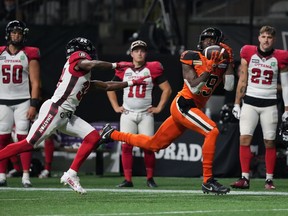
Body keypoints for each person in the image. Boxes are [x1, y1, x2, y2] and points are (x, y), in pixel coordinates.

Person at [0, 37, 149, 194]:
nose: (91, 55)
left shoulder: (82, 73)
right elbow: (91, 63)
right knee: (28, 144)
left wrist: (131, 83)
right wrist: (115, 65)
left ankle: (71, 174)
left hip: (66, 115)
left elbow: (106, 86)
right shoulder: (77, 58)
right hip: (55, 110)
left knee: (93, 137)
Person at [99, 27, 235, 194]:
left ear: (219, 44)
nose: (208, 42)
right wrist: (209, 69)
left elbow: (229, 86)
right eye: (206, 39)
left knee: (154, 144)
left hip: (194, 107)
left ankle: (111, 134)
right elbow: (194, 87)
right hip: (184, 103)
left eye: (213, 40)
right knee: (212, 130)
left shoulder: (221, 62)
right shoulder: (190, 56)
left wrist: (229, 64)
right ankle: (208, 180)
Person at [107, 40, 172, 188]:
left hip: (145, 114)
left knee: (149, 147)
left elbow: (167, 89)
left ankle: (150, 179)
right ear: (131, 53)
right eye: (136, 50)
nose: (139, 53)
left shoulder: (153, 68)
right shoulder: (123, 69)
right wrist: (116, 106)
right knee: (126, 147)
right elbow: (110, 87)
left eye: (142, 50)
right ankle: (128, 179)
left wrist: (159, 107)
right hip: (128, 114)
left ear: (146, 53)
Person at [230, 26, 288, 190]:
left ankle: (269, 180)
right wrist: (236, 103)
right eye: (263, 36)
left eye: (269, 37)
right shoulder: (248, 52)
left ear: (274, 40)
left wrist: (287, 110)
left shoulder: (281, 57)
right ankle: (244, 178)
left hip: (269, 103)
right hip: (249, 102)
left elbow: (285, 85)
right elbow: (242, 79)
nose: (266, 40)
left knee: (269, 142)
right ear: (259, 38)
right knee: (244, 139)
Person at [0, 20, 41, 187]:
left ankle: (25, 175)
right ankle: (2, 175)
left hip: (23, 100)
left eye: (19, 32)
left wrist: (33, 104)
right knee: (2, 138)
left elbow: (36, 82)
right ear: (8, 34)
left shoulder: (29, 53)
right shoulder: (0, 53)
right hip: (2, 100)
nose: (16, 35)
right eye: (13, 32)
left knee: (24, 137)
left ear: (23, 35)